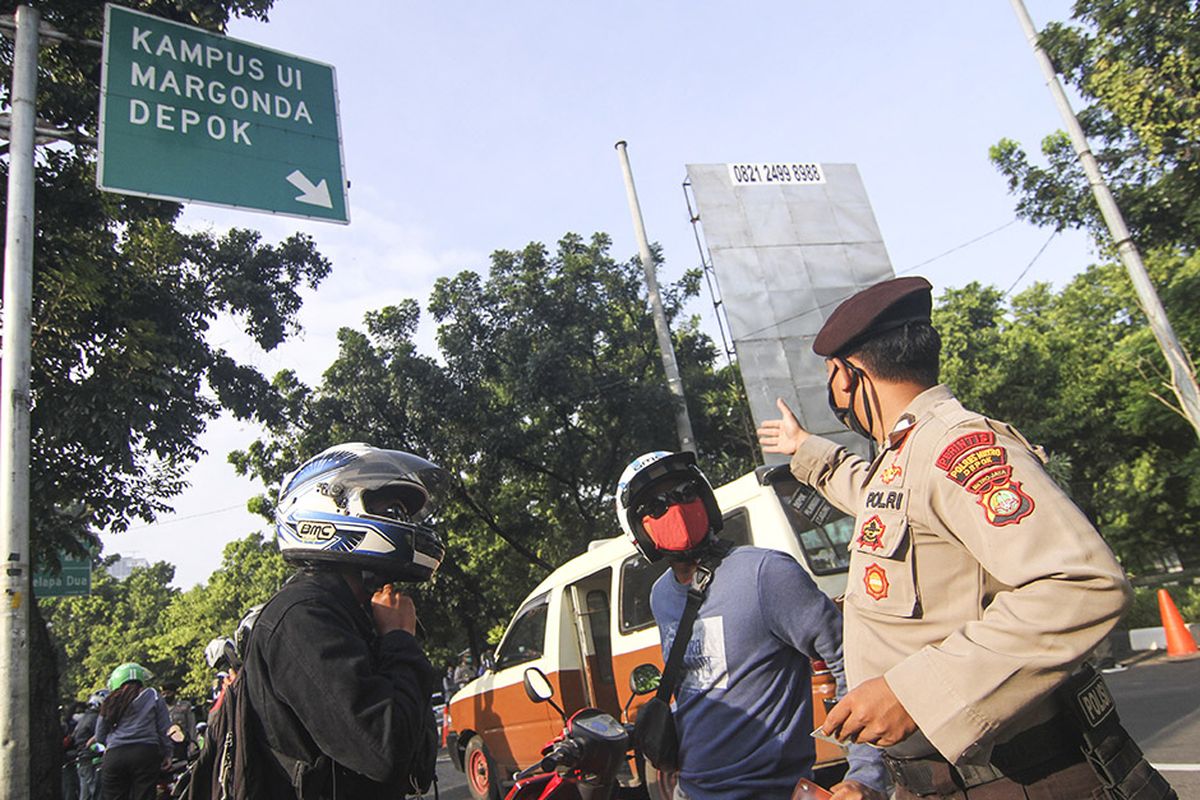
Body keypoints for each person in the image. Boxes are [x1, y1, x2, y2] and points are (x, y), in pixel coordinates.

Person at [757, 276, 1174, 798]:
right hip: (938, 780)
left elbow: (1083, 583)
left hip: (1015, 777)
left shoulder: (957, 447)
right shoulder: (906, 455)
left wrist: (915, 693)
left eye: (831, 375)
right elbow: (874, 497)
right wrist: (806, 450)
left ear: (847, 376)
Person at [615, 450, 887, 800]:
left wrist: (864, 774)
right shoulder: (662, 596)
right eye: (655, 507)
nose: (677, 508)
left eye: (685, 493)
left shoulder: (766, 573)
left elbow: (857, 663)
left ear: (705, 500)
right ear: (638, 530)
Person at [240, 443, 445, 799]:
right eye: (392, 510)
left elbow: (418, 762)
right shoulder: (303, 617)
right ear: (332, 505)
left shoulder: (355, 615)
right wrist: (399, 640)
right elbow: (384, 750)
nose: (403, 523)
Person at [95, 662, 173, 800]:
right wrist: (167, 753)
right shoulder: (153, 695)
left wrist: (112, 743)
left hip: (115, 756)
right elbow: (164, 729)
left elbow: (100, 734)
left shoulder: (110, 700)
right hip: (146, 753)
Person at [72, 692, 106, 800]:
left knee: (85, 795)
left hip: (81, 760)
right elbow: (100, 737)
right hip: (92, 760)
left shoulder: (83, 718)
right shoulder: (96, 719)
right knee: (96, 792)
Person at [161, 682, 197, 760]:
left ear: (174, 693)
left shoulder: (184, 706)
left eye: (168, 693)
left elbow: (191, 726)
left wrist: (192, 743)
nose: (166, 696)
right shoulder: (161, 708)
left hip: (181, 743)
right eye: (163, 694)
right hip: (166, 744)